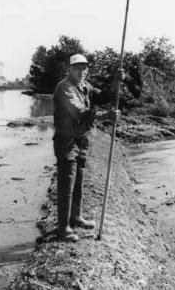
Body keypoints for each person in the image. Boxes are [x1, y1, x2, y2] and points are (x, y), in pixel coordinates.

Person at [52, 53, 121, 242]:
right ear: (69, 69)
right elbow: (78, 112)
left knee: (79, 180)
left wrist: (116, 81)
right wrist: (106, 116)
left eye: (84, 68)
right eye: (77, 68)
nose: (81, 71)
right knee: (67, 183)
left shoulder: (85, 87)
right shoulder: (64, 88)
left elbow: (105, 96)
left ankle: (76, 217)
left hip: (82, 139)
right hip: (67, 141)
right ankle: (63, 228)